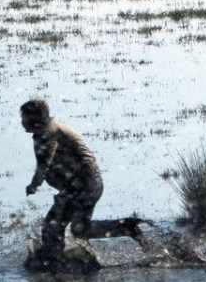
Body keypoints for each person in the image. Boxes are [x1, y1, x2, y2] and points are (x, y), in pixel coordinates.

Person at [20, 98, 145, 261]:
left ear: (35, 118)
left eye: (24, 117)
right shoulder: (48, 130)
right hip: (85, 183)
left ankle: (51, 261)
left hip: (83, 184)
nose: (22, 122)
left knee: (53, 226)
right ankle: (125, 228)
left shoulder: (47, 134)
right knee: (79, 229)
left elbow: (44, 165)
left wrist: (34, 185)